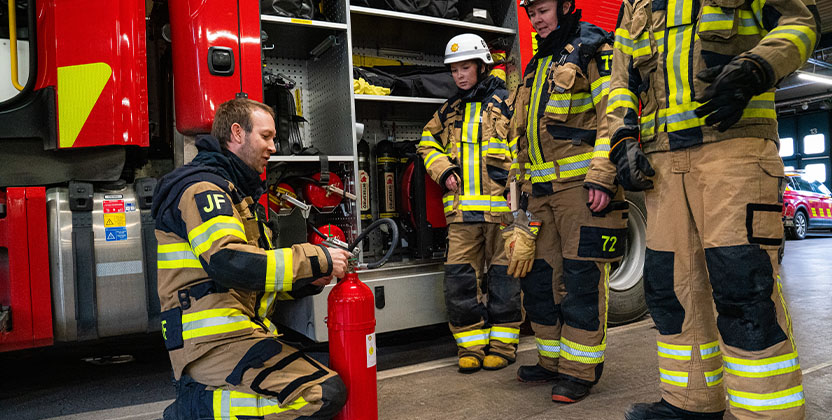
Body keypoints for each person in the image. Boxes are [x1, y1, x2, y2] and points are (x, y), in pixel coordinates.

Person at [606, 0, 820, 417]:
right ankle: (691, 403)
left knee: (743, 286)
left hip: (735, 147)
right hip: (662, 162)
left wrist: (758, 66)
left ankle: (767, 413)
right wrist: (621, 138)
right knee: (671, 291)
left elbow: (800, 21)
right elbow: (620, 81)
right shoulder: (634, 5)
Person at [152, 98, 351, 419]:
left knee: (328, 387)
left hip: (240, 335)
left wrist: (305, 282)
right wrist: (317, 259)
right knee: (319, 396)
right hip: (211, 345)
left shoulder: (236, 196)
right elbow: (229, 262)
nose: (273, 147)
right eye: (266, 136)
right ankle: (196, 409)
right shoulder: (203, 190)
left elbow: (253, 280)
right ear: (236, 133)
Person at [502, 0, 628, 404]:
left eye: (542, 10)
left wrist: (604, 175)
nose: (536, 20)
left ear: (565, 6)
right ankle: (551, 360)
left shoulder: (592, 46)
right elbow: (522, 138)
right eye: (531, 14)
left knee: (581, 280)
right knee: (540, 281)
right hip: (538, 196)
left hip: (579, 189)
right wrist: (516, 201)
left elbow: (614, 114)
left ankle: (580, 370)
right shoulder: (536, 66)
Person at [417, 33, 522, 374]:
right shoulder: (447, 111)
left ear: (481, 65)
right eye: (454, 70)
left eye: (465, 67)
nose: (460, 75)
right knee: (460, 280)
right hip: (462, 215)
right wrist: (444, 170)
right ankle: (470, 347)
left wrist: (516, 187)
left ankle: (504, 345)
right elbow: (425, 143)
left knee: (505, 279)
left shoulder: (509, 103)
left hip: (501, 213)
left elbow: (524, 145)